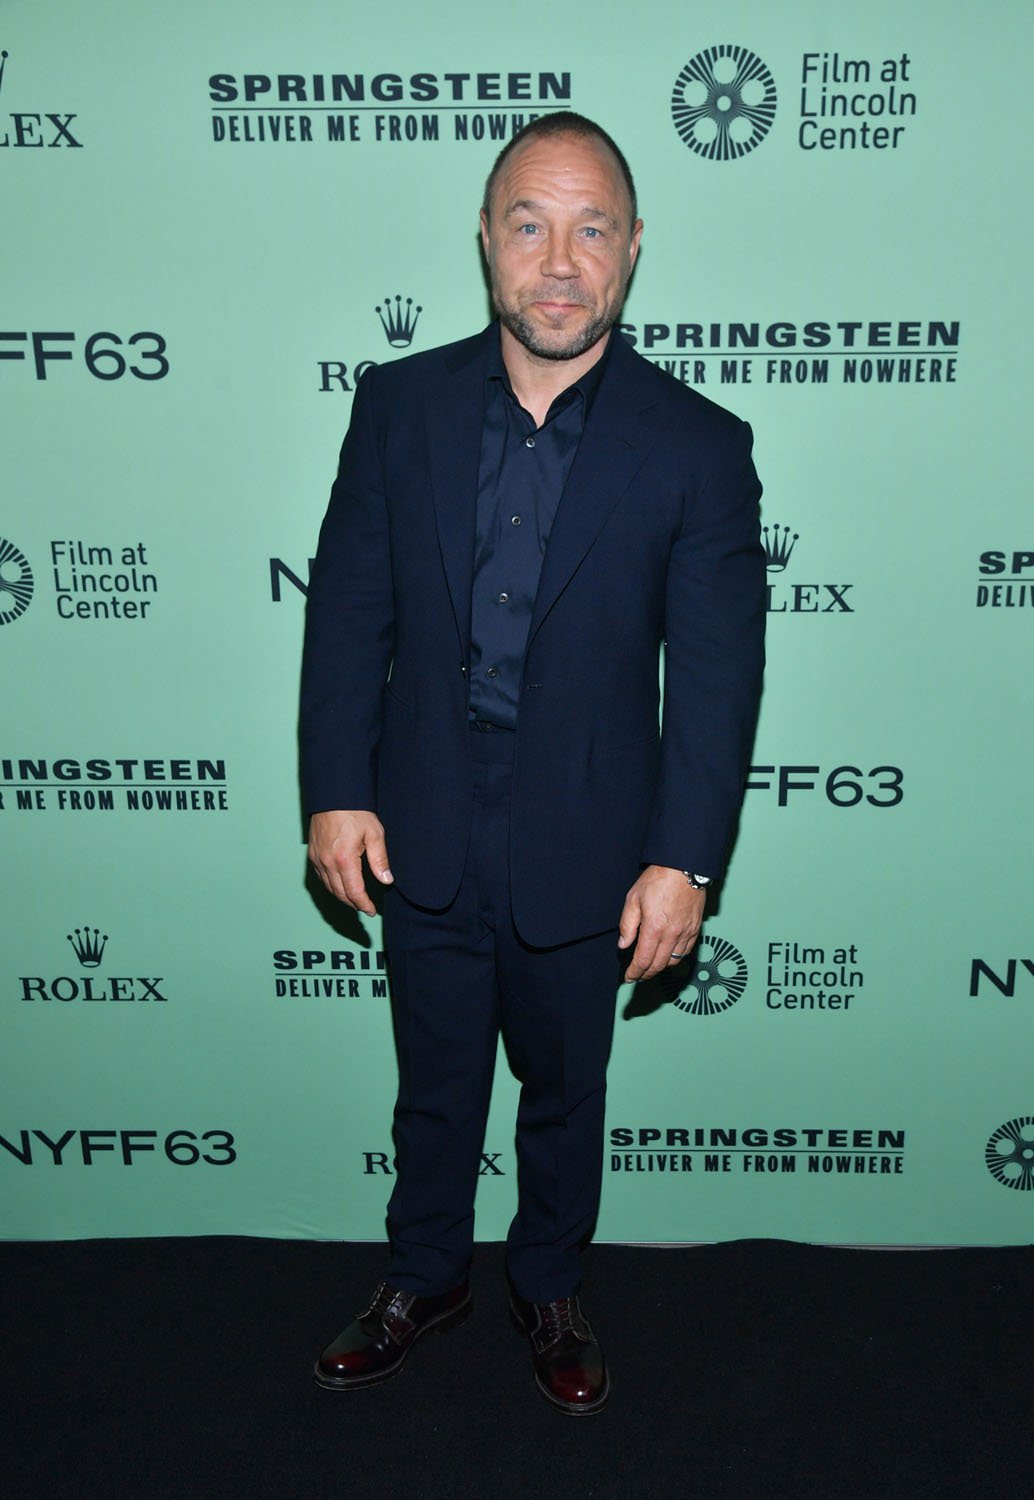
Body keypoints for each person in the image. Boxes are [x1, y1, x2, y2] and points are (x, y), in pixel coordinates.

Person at [300, 112, 765, 1415]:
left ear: (631, 248)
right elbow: (349, 609)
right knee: (435, 1081)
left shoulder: (698, 445)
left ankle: (549, 1285)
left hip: (590, 827)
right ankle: (424, 1276)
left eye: (590, 229)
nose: (559, 262)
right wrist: (336, 789)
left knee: (565, 1088)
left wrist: (684, 861)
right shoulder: (398, 407)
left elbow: (715, 676)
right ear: (487, 240)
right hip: (423, 812)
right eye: (529, 225)